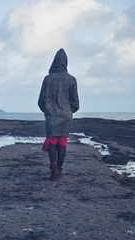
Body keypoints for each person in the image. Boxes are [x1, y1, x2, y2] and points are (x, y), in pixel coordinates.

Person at [38, 48, 79, 180]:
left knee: (51, 141)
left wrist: (48, 111)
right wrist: (69, 111)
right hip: (66, 115)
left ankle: (53, 166)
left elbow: (41, 101)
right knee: (62, 142)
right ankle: (59, 170)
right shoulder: (72, 79)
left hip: (51, 116)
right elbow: (75, 103)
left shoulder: (47, 79)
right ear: (65, 62)